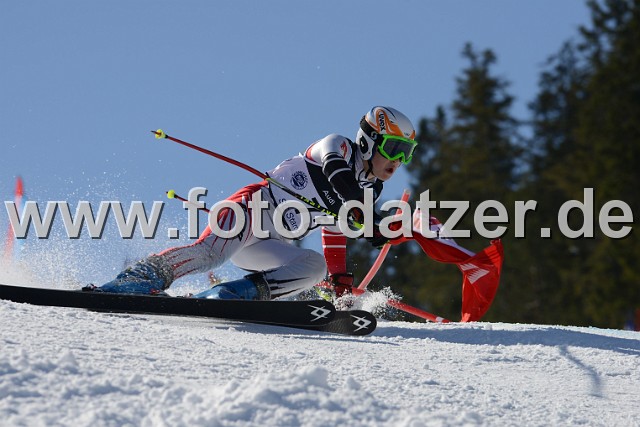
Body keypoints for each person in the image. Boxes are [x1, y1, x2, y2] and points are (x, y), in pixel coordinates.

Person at [90, 106, 418, 300]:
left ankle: (229, 297)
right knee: (211, 254)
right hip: (252, 208)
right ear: (369, 141)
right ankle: (134, 280)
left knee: (313, 267)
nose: (398, 161)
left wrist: (340, 279)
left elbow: (334, 228)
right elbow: (337, 175)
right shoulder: (338, 146)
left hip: (269, 243)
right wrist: (368, 218)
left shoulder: (369, 191)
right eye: (394, 149)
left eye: (406, 154)